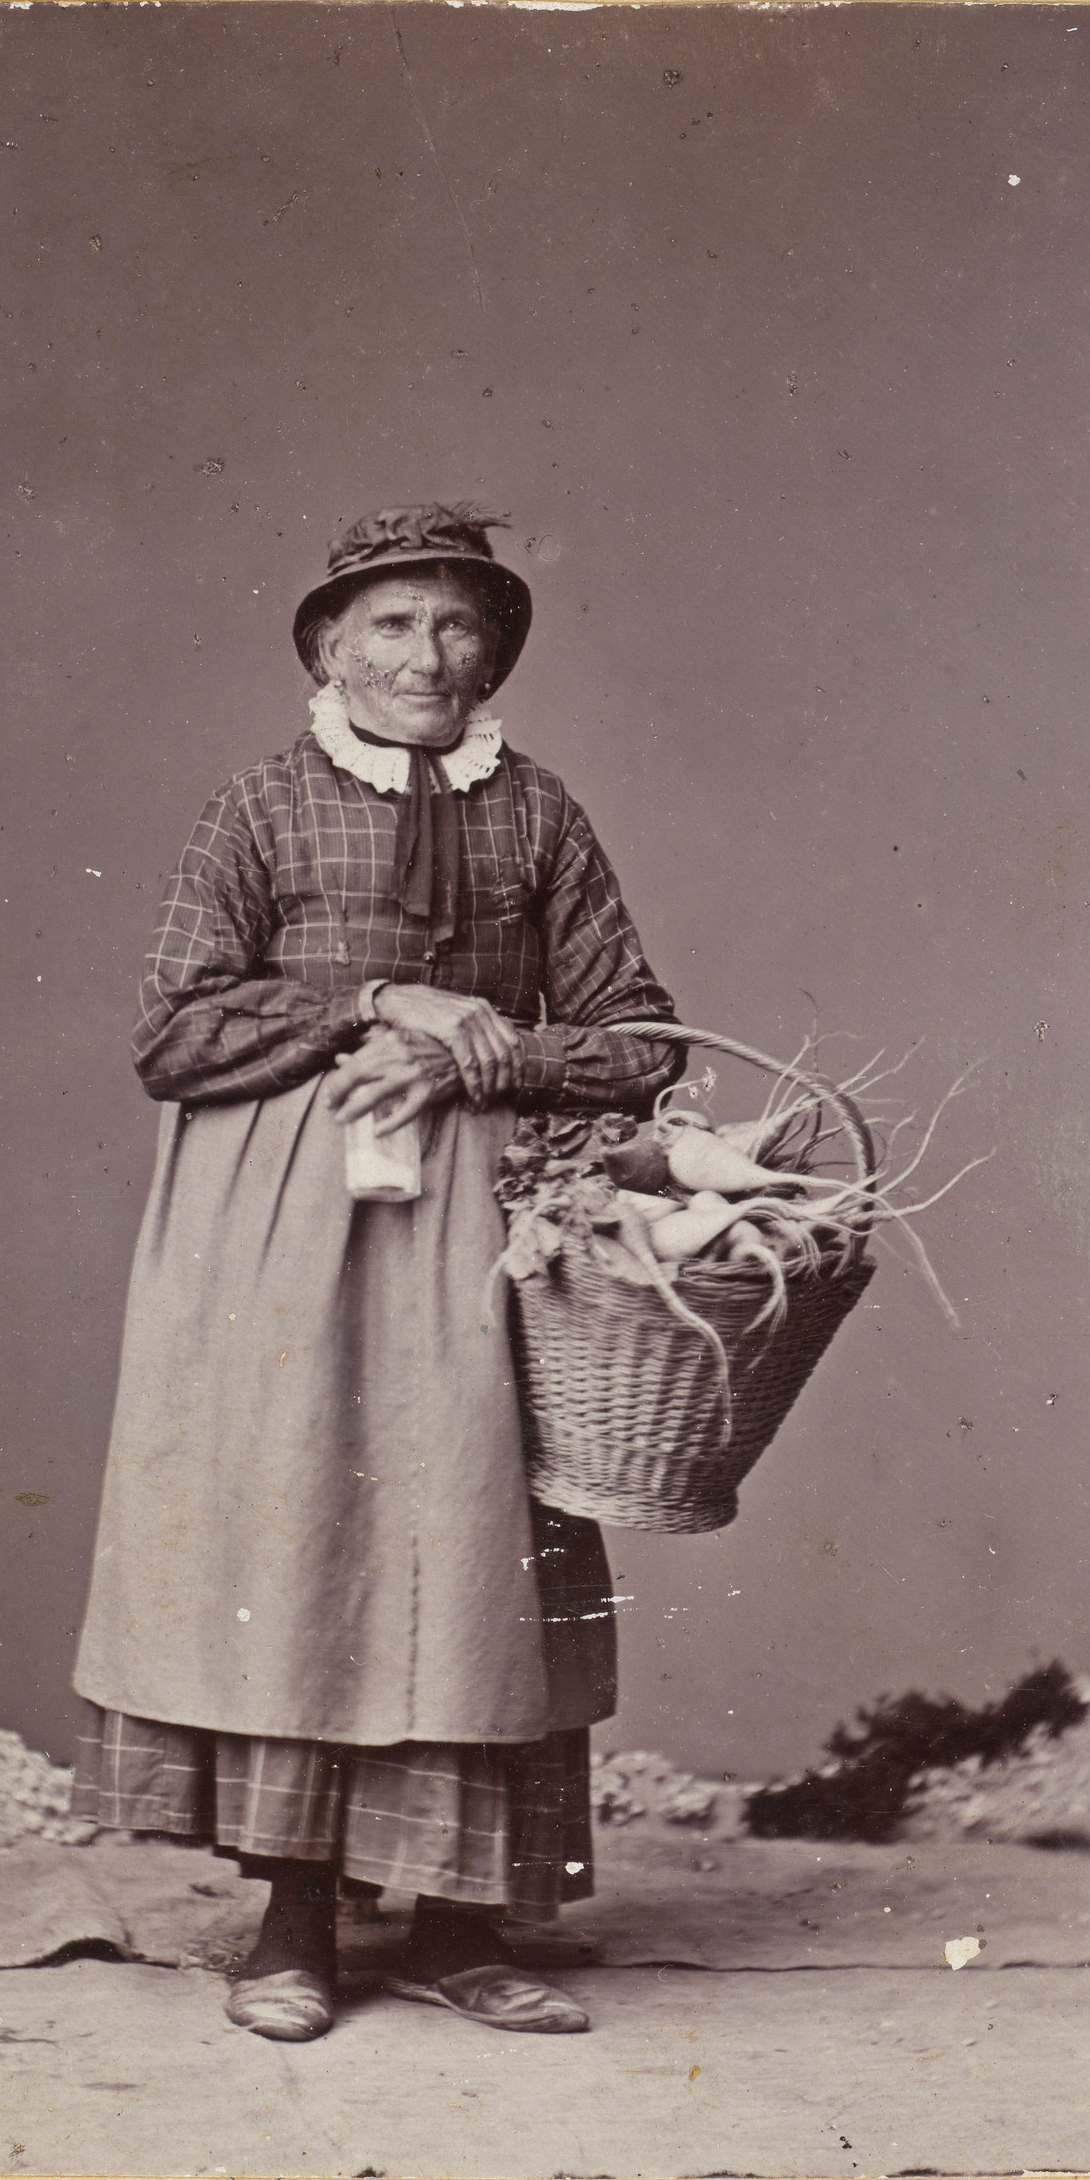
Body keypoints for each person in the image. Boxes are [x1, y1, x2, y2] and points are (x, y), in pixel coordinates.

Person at [69, 503, 682, 2041]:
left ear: (497, 654)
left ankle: (467, 1926)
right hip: (284, 1236)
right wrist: (378, 1002)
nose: (431, 653)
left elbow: (642, 1041)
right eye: (395, 624)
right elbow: (173, 1032)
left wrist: (488, 1057)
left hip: (491, 1233)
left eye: (460, 625)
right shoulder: (262, 807)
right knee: (305, 1544)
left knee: (479, 1559)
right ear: (328, 647)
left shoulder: (537, 813)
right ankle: (292, 1931)